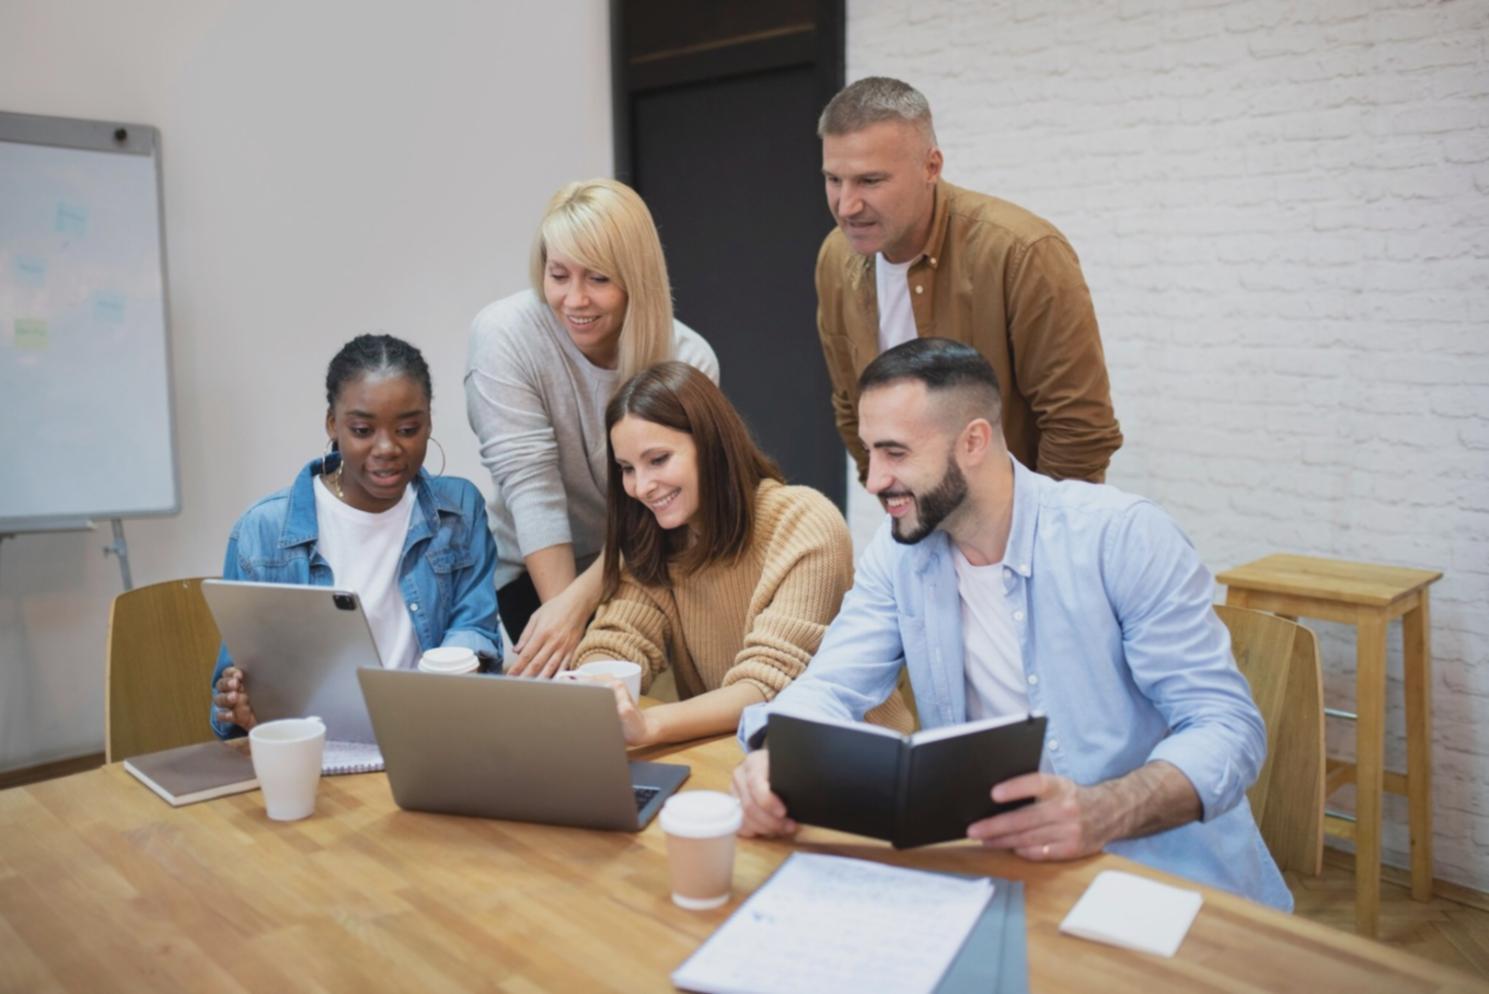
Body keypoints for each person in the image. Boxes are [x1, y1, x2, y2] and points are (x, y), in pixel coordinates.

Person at [731, 338, 1291, 910]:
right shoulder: (899, 555)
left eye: (895, 453)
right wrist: (777, 754)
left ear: (973, 441)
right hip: (1005, 872)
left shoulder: (1122, 536)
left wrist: (1104, 810)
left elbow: (1227, 726)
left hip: (1164, 880)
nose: (874, 481)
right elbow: (830, 685)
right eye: (870, 452)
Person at [571, 361, 912, 747]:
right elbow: (618, 640)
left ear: (710, 444)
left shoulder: (803, 522)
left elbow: (767, 685)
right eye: (627, 468)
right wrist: (598, 684)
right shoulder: (655, 537)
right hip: (736, 749)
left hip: (855, 755)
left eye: (658, 459)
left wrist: (650, 725)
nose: (641, 486)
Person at [466, 179, 718, 677]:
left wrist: (582, 602)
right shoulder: (505, 335)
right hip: (535, 566)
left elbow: (663, 511)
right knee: (564, 689)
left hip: (647, 558)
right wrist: (564, 619)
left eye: (598, 278)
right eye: (559, 275)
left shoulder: (689, 361)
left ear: (636, 277)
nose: (575, 299)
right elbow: (532, 489)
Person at [815, 76, 1122, 485]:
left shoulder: (1021, 252)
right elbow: (851, 405)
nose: (847, 206)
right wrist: (893, 493)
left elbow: (1080, 427)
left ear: (931, 167)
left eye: (870, 181)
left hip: (1018, 518)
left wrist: (1034, 524)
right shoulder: (836, 257)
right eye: (834, 180)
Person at [211, 334, 502, 737]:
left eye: (408, 428)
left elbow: (477, 629)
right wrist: (243, 705)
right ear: (333, 424)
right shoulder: (263, 531)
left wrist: (452, 673)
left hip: (429, 733)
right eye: (363, 430)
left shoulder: (460, 511)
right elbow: (231, 692)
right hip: (316, 742)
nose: (387, 447)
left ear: (429, 422)